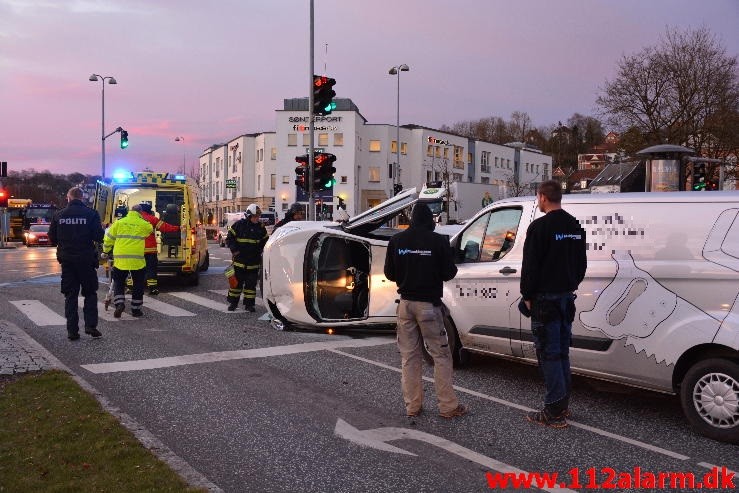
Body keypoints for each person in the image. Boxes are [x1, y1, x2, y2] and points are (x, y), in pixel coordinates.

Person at [384, 203, 467, 419]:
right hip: (429, 306)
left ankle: (413, 406)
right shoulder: (437, 241)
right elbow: (449, 273)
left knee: (409, 357)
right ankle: (448, 406)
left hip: (405, 305)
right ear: (430, 219)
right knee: (440, 355)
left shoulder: (397, 241)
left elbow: (389, 274)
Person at [520, 180, 587, 428]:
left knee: (548, 354)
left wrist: (527, 295)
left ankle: (554, 411)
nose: (538, 201)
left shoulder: (539, 227)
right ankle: (562, 404)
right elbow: (581, 265)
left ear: (543, 197)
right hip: (566, 297)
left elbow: (530, 266)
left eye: (538, 197)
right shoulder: (574, 225)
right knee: (561, 352)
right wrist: (569, 284)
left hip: (545, 300)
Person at [49, 187, 105, 340]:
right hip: (86, 260)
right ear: (82, 198)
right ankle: (90, 326)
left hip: (67, 261)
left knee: (70, 295)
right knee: (90, 293)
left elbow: (52, 238)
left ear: (68, 198)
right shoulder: (91, 214)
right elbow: (99, 236)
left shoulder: (58, 215)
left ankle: (72, 331)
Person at [103, 204, 153, 318]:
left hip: (121, 258)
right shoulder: (144, 224)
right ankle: (136, 310)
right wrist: (142, 220)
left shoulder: (119, 223)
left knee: (119, 282)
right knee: (138, 284)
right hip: (137, 259)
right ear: (140, 212)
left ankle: (120, 303)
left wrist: (106, 251)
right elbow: (149, 230)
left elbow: (108, 238)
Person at [226, 203, 268, 311]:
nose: (257, 218)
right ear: (249, 216)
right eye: (255, 216)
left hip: (253, 263)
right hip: (240, 262)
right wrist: (234, 250)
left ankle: (249, 305)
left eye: (258, 216)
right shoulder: (239, 225)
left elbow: (266, 243)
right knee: (236, 286)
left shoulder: (261, 228)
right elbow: (229, 238)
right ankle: (233, 304)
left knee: (251, 287)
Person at [133, 202, 181, 295]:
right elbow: (165, 227)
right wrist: (178, 228)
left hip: (136, 249)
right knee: (151, 269)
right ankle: (152, 288)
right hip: (150, 250)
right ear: (149, 210)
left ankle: (131, 287)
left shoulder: (131, 220)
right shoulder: (152, 219)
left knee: (134, 269)